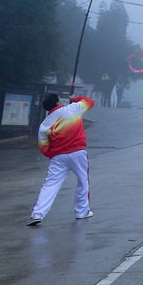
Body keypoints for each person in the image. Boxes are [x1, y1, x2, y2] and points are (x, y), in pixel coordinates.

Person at [28, 93, 95, 226]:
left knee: (50, 185)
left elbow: (43, 147)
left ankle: (38, 213)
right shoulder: (73, 109)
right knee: (83, 181)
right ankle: (82, 212)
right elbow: (90, 101)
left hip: (58, 158)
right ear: (58, 102)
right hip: (78, 153)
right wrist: (74, 98)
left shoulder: (44, 125)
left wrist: (53, 154)